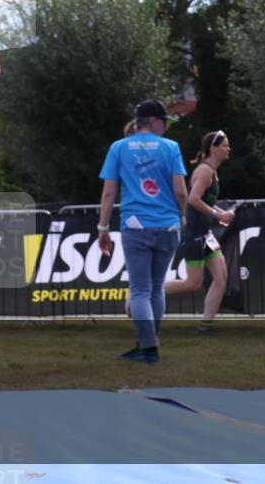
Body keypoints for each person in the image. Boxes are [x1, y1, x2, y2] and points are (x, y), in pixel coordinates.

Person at [97, 99, 188, 365]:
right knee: (156, 288)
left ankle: (147, 347)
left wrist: (103, 227)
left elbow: (109, 193)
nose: (166, 127)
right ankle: (150, 344)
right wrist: (181, 214)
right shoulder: (171, 147)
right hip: (168, 225)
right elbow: (181, 191)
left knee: (139, 289)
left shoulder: (118, 148)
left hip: (136, 226)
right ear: (155, 121)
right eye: (165, 122)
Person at [165, 130, 235, 333]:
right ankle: (143, 292)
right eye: (225, 145)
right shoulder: (205, 171)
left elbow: (206, 202)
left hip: (205, 234)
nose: (228, 149)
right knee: (193, 283)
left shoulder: (212, 171)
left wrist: (222, 214)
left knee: (221, 277)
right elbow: (193, 199)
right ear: (213, 148)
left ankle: (206, 325)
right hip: (194, 234)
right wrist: (217, 215)